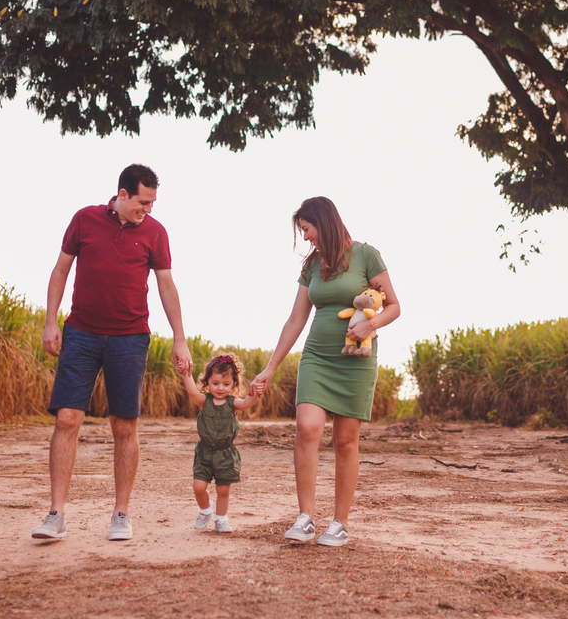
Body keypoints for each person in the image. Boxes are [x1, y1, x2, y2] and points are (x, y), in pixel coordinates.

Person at [31, 164, 192, 543]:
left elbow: (167, 286)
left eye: (152, 203)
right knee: (67, 418)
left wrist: (179, 338)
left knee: (124, 426)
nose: (148, 210)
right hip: (82, 334)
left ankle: (120, 514)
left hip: (130, 338)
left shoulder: (155, 233)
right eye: (142, 202)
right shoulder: (84, 220)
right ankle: (56, 514)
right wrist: (51, 321)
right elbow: (60, 271)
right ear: (122, 195)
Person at [250, 197, 400, 547]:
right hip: (317, 357)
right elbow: (295, 320)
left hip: (356, 361)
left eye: (306, 229)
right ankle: (305, 517)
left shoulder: (366, 255)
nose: (304, 237)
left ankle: (340, 523)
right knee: (307, 428)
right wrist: (271, 367)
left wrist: (371, 324)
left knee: (346, 441)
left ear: (324, 222)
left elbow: (394, 305)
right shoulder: (312, 265)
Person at [182, 353, 261, 533]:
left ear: (233, 383)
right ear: (207, 381)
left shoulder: (233, 403)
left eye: (226, 384)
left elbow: (247, 403)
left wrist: (254, 394)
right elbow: (192, 391)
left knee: (223, 489)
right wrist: (187, 374)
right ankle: (205, 511)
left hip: (225, 454)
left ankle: (221, 519)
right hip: (205, 453)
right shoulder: (204, 401)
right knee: (198, 486)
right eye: (215, 383)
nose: (220, 388)